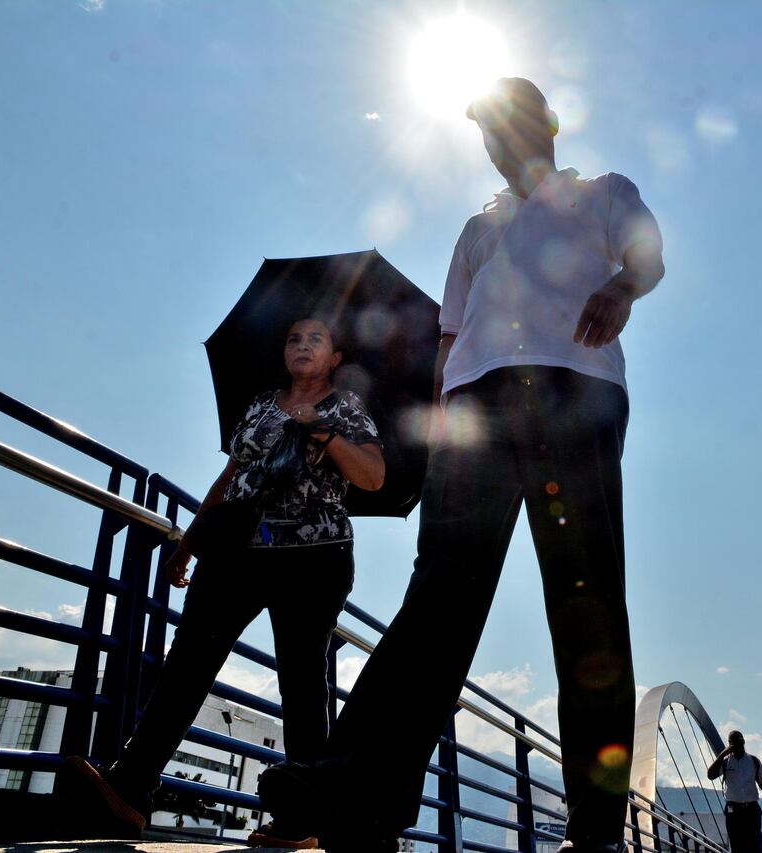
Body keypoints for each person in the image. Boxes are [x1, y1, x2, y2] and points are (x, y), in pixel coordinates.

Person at [259, 77, 664, 853]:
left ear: (549, 124)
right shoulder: (478, 230)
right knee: (440, 593)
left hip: (577, 390)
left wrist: (621, 286)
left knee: (586, 601)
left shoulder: (606, 192)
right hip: (479, 405)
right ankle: (356, 791)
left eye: (511, 123)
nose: (498, 141)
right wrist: (444, 419)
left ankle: (597, 829)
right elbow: (451, 334)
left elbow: (649, 257)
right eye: (487, 131)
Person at [59, 317, 384, 848]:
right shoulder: (260, 404)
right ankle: (129, 788)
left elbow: (373, 476)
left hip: (313, 558)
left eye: (315, 340)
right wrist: (189, 542)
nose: (302, 346)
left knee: (302, 682)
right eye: (293, 338)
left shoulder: (345, 408)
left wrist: (322, 430)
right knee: (187, 663)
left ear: (335, 358)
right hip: (236, 549)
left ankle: (301, 821)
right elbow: (231, 477)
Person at [706, 730, 762, 853]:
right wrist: (723, 754)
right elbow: (710, 775)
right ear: (729, 744)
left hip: (751, 809)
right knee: (737, 846)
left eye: (739, 742)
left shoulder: (753, 761)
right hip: (733, 810)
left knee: (753, 845)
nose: (737, 745)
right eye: (733, 743)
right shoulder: (725, 762)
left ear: (744, 742)